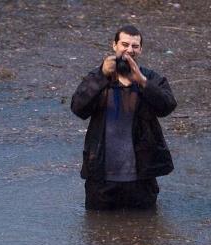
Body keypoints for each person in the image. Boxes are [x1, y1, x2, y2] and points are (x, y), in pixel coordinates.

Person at [71, 25, 177, 210]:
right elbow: (78, 108)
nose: (129, 50)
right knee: (97, 232)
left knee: (145, 233)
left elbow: (167, 106)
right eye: (125, 44)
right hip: (101, 178)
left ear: (141, 49)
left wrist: (142, 81)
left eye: (135, 46)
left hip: (141, 178)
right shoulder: (98, 77)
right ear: (114, 45)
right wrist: (101, 75)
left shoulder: (151, 78)